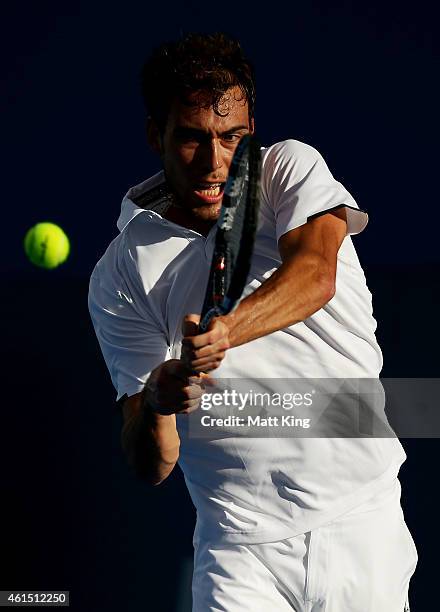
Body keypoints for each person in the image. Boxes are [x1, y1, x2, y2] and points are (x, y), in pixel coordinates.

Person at [88, 32, 417, 611]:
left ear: (251, 130)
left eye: (232, 138)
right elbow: (150, 464)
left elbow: (316, 274)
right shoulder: (120, 272)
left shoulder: (290, 169)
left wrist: (225, 334)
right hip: (236, 550)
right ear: (154, 136)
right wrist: (161, 399)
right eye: (191, 138)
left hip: (359, 518)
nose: (215, 161)